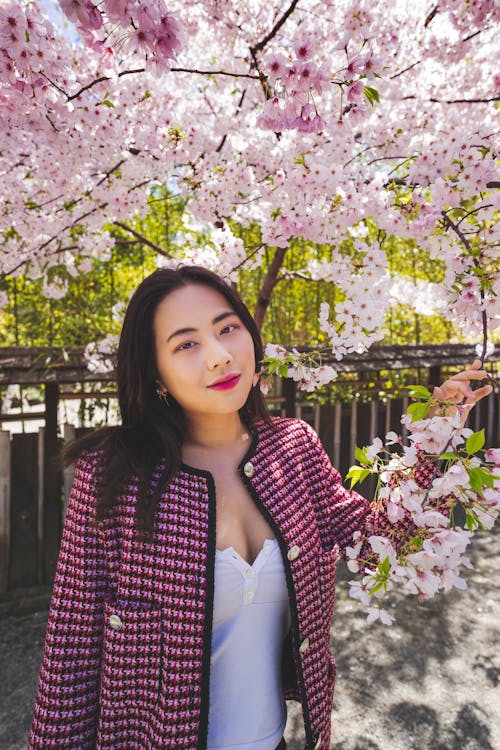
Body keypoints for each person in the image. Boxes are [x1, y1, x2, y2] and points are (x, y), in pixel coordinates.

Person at [28, 266, 492, 750]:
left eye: (228, 328)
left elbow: (378, 545)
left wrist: (434, 441)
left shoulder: (293, 448)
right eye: (186, 344)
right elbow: (71, 653)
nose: (219, 356)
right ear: (154, 372)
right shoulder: (112, 474)